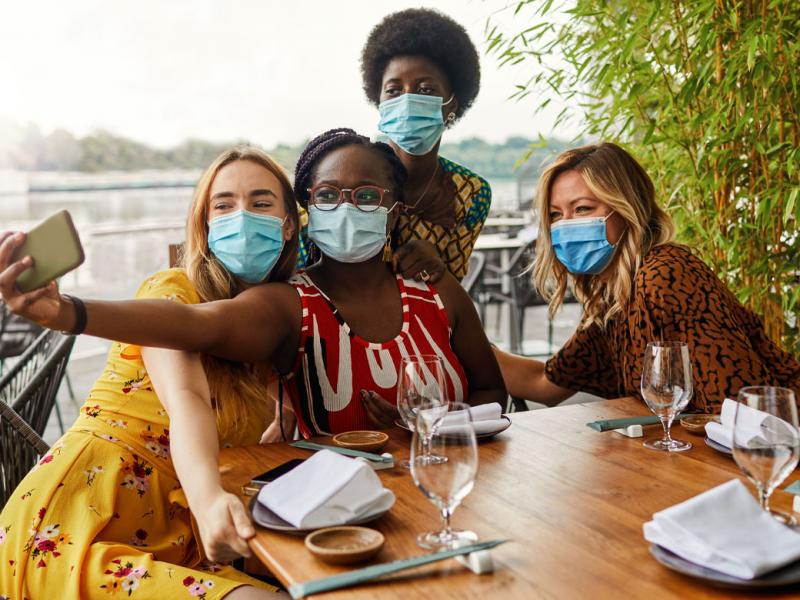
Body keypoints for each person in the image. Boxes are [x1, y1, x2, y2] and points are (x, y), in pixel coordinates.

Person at [0, 129, 506, 441]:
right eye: (328, 195)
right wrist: (68, 311)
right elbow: (196, 323)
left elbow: (493, 393)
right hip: (344, 519)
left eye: (367, 196)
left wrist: (433, 426)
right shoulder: (290, 303)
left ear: (393, 211)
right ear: (306, 211)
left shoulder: (435, 290)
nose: (347, 208)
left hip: (457, 489)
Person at [0, 146, 299, 599]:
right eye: (224, 206)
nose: (242, 217)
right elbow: (187, 399)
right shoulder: (171, 292)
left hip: (179, 539)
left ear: (289, 224)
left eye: (260, 203)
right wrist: (207, 500)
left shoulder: (268, 330)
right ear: (204, 225)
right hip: (81, 528)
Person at [493, 143, 800, 412]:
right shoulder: (611, 295)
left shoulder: (665, 273)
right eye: (556, 215)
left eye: (583, 208)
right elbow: (546, 383)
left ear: (627, 208)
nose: (566, 225)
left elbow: (740, 410)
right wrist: (467, 342)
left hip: (778, 442)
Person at [300, 9, 490, 284]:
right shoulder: (336, 178)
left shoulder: (470, 192)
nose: (407, 100)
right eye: (394, 90)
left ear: (452, 104)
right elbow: (300, 268)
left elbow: (453, 288)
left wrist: (436, 264)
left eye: (426, 89)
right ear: (379, 101)